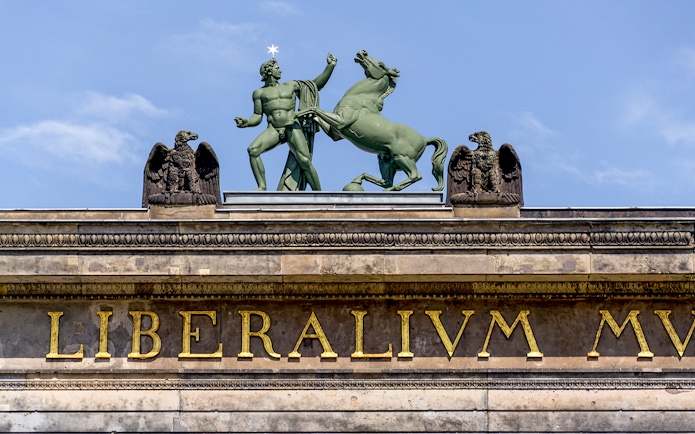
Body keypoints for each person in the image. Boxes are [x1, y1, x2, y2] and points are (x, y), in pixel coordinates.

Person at [235, 54, 337, 191]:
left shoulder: (290, 85)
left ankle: (318, 193)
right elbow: (257, 115)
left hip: (292, 127)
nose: (281, 71)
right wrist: (247, 122)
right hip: (274, 129)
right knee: (253, 150)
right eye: (277, 68)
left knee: (305, 161)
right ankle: (262, 186)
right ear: (269, 71)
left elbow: (315, 85)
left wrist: (330, 67)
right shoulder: (259, 93)